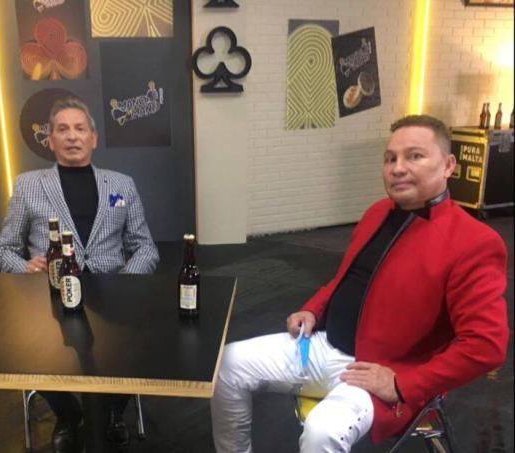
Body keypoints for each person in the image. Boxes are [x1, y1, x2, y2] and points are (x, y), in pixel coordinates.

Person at [211, 115, 509, 452]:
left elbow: (486, 345)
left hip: (385, 371)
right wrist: (313, 310)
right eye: (390, 158)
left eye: (414, 156)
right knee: (225, 365)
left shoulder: (474, 242)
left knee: (322, 431)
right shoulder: (377, 213)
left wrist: (403, 383)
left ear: (448, 165)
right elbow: (346, 280)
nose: (397, 168)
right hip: (325, 346)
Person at [0, 97, 159, 452]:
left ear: (93, 138)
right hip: (48, 300)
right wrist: (25, 267)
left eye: (80, 128)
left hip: (112, 296)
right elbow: (4, 251)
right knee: (30, 349)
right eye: (63, 129)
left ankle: (113, 411)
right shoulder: (27, 186)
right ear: (50, 139)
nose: (72, 136)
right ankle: (68, 414)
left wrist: (127, 282)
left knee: (135, 341)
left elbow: (145, 247)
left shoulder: (122, 185)